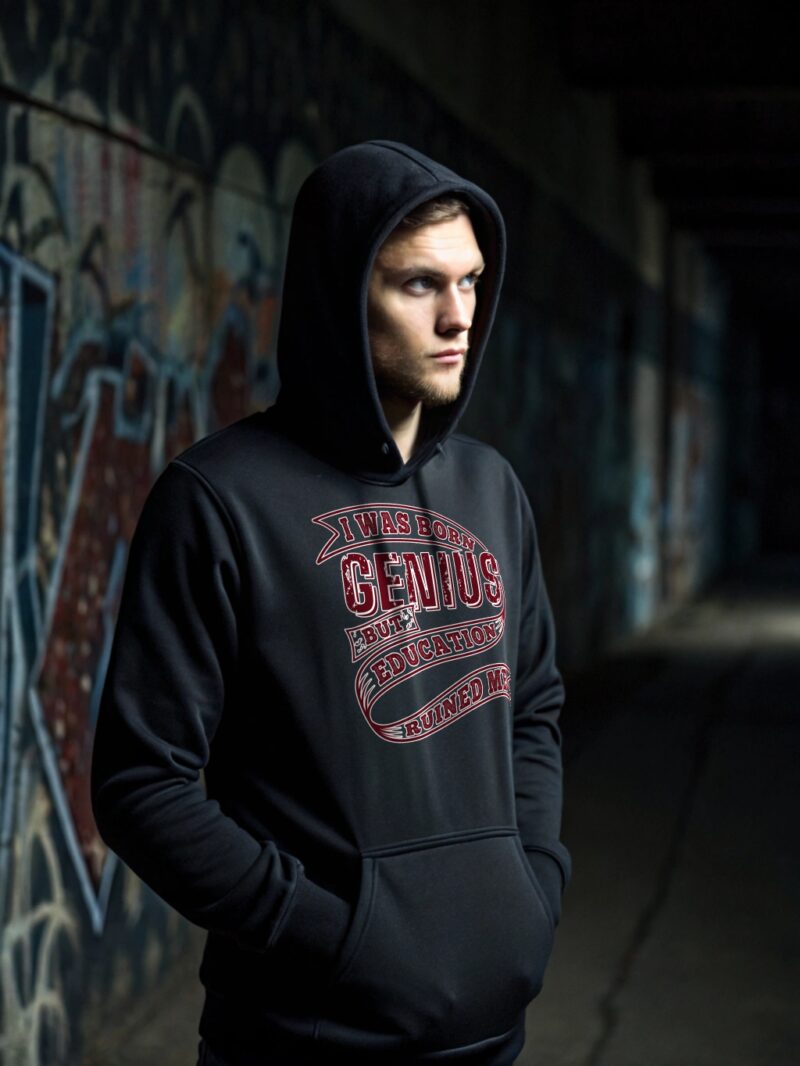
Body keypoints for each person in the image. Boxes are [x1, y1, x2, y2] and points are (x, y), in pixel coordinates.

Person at [91, 140, 570, 1066]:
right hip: (303, 1039)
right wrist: (332, 936)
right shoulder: (221, 500)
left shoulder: (491, 489)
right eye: (419, 285)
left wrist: (533, 885)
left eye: (471, 282)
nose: (459, 317)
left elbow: (535, 707)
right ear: (340, 295)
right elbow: (140, 783)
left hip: (490, 1036)